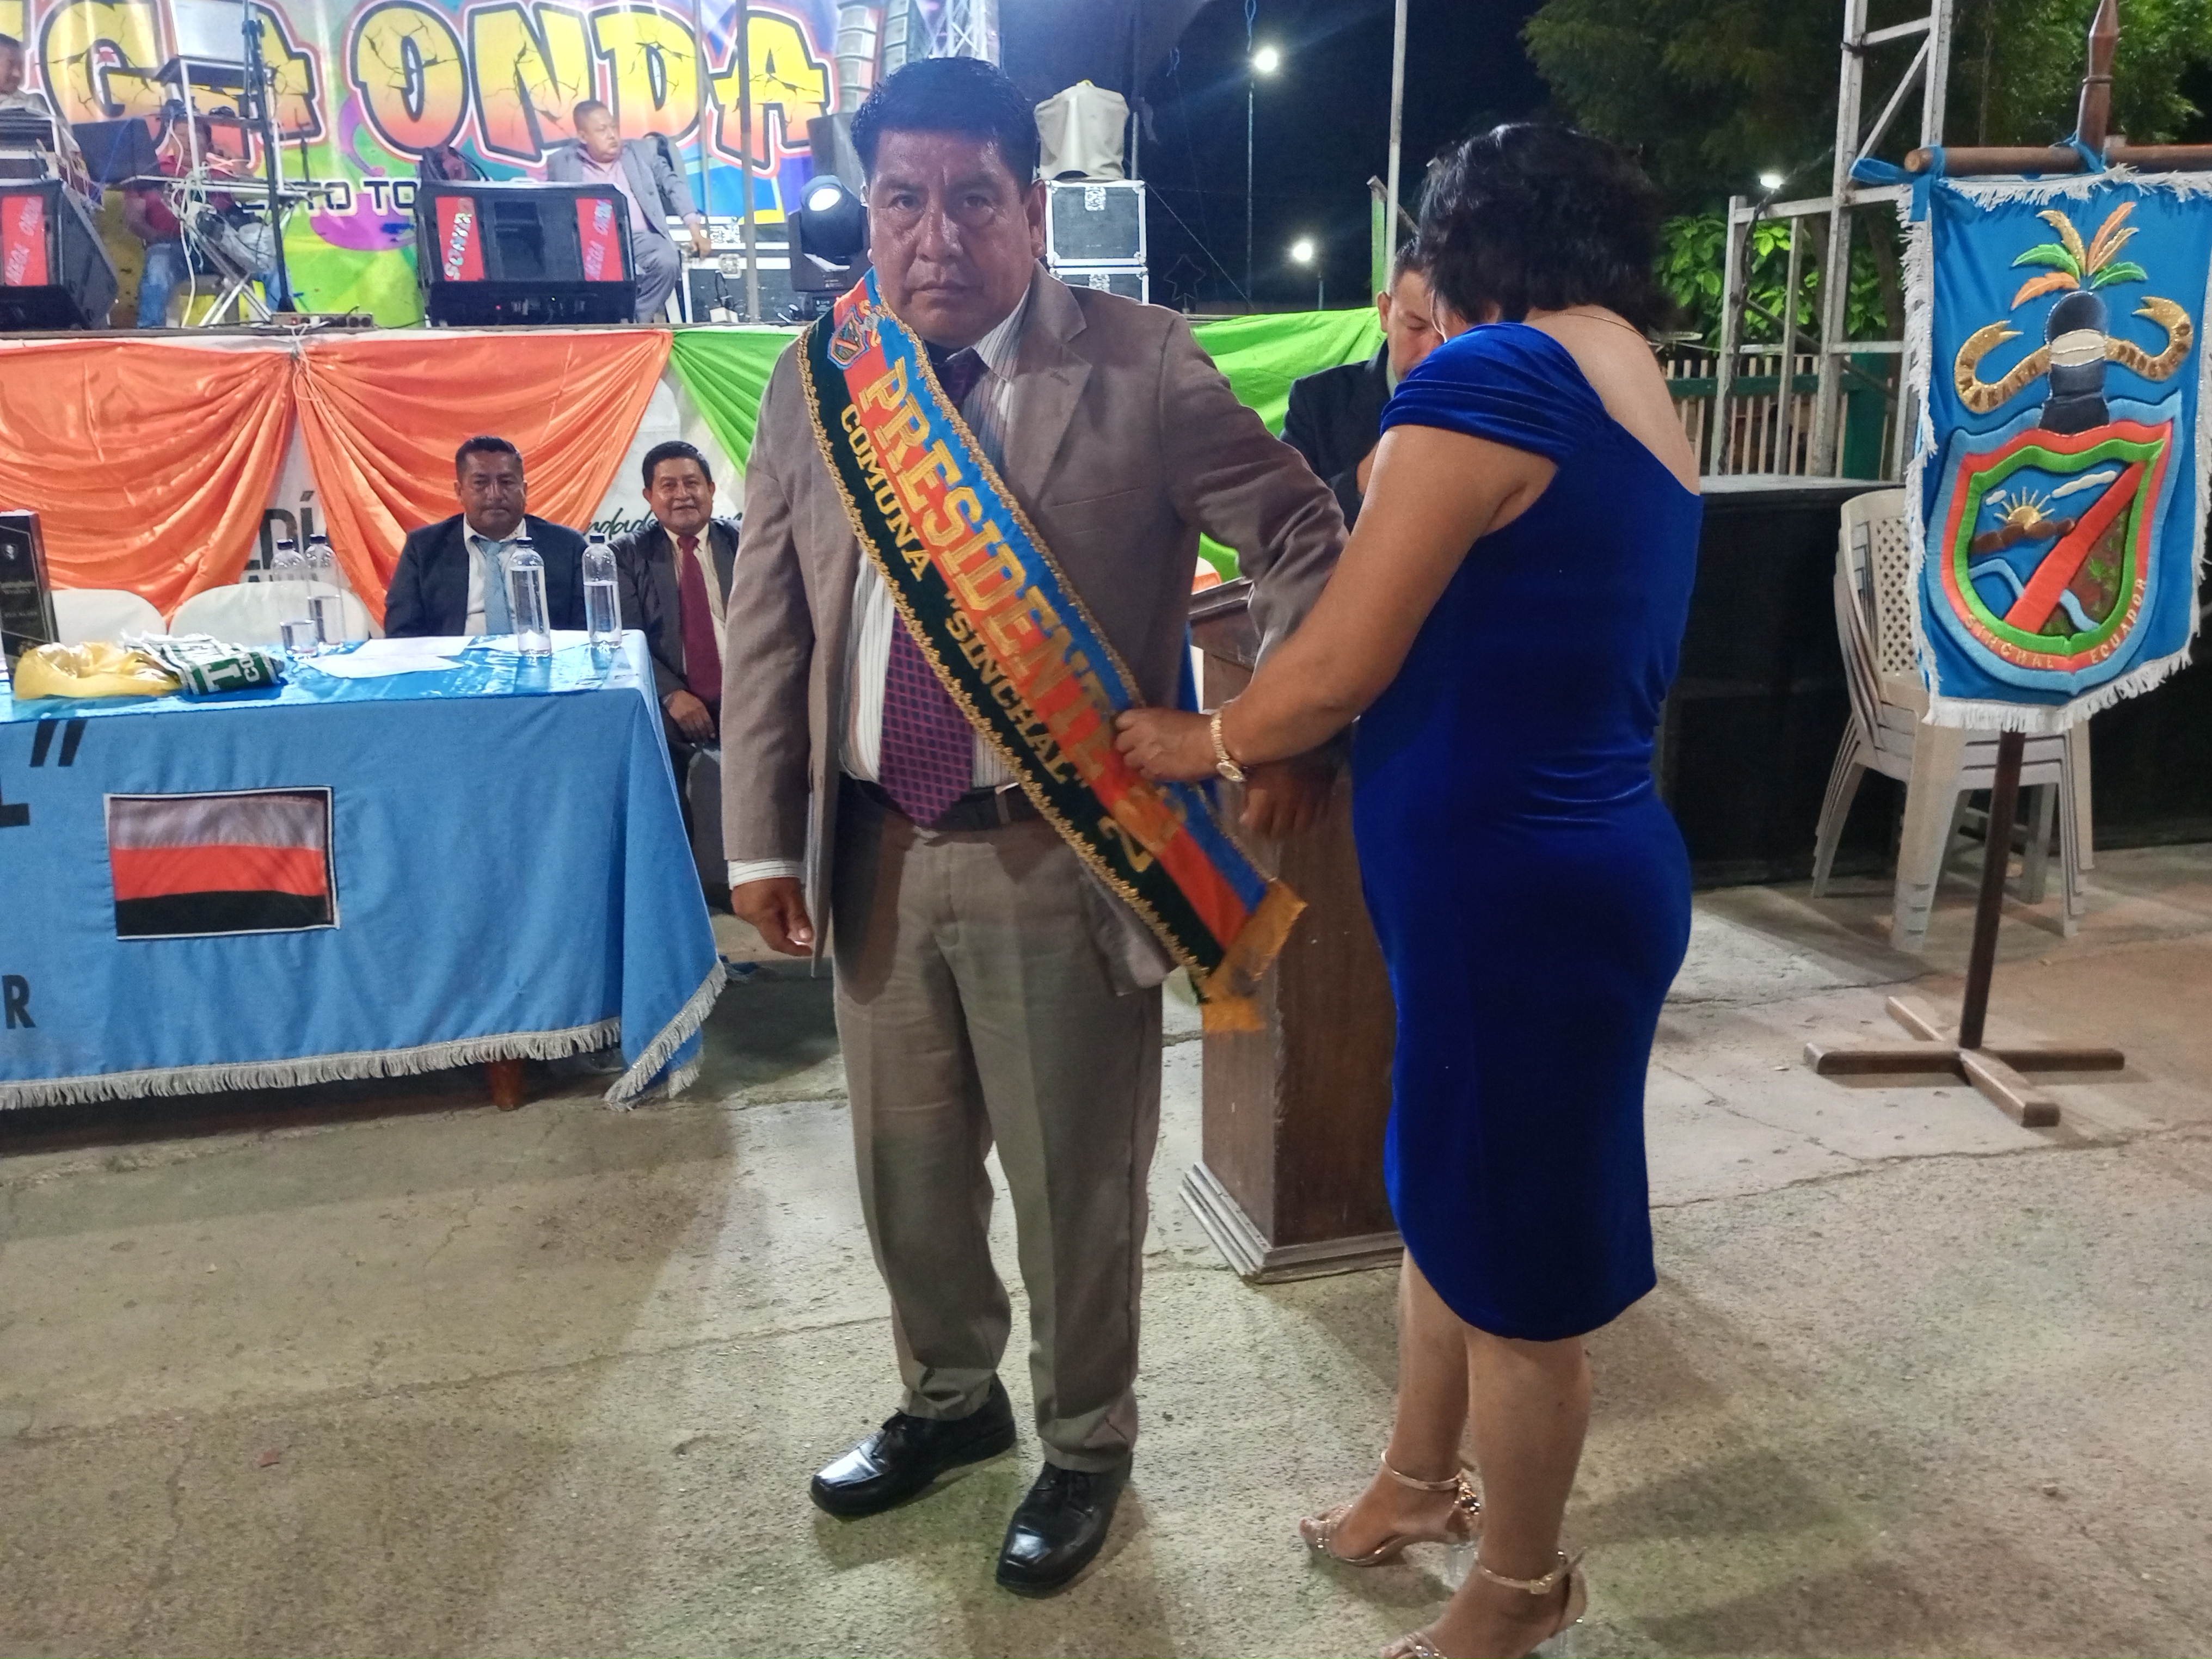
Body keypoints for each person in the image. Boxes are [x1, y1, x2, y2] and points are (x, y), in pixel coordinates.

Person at [720, 54, 1343, 1597]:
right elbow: (770, 619)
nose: (932, 236)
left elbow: (1301, 531)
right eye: (901, 201)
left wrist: (1268, 723)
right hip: (873, 849)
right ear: (871, 209)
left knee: (1076, 1184)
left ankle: (1084, 1441)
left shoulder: (1145, 365)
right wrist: (761, 843)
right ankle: (951, 1400)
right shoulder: (820, 379)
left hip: (1063, 852)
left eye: (970, 200)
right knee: (907, 1173)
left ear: (1033, 209)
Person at [1115, 124, 1701, 1659]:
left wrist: (1207, 739)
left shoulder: (1498, 376)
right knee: (1447, 1198)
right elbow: (1423, 539)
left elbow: (1341, 660)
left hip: (1515, 892)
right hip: (1553, 876)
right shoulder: (1621, 368)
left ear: (1455, 247)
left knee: (1515, 1272)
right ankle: (1419, 1480)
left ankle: (1519, 1588)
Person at [611, 439, 738, 898]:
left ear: (711, 489)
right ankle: (681, 892)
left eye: (692, 483)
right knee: (650, 750)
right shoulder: (626, 555)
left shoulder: (746, 542)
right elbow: (624, 636)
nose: (682, 495)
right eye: (668, 486)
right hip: (671, 699)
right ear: (649, 496)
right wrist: (671, 694)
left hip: (749, 692)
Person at [1282, 242, 1443, 530]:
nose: (1432, 351)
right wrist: (1362, 481)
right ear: (1385, 311)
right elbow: (1278, 523)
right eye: (1416, 327)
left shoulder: (1495, 408)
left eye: (1450, 333)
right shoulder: (1317, 402)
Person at [385, 437, 586, 638]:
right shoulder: (424, 549)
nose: (495, 494)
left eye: (506, 482)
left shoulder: (568, 547)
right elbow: (401, 633)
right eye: (480, 484)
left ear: (524, 490)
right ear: (459, 492)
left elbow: (586, 631)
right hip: (454, 657)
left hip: (543, 655)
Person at [547, 101, 711, 323]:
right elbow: (553, 209)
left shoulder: (641, 152)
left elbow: (673, 184)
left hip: (641, 240)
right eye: (602, 130)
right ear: (583, 137)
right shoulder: (562, 163)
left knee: (668, 261)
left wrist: (695, 228)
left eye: (613, 127)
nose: (612, 135)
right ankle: (604, 321)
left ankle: (637, 319)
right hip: (591, 244)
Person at [122, 115, 276, 328]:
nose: (187, 142)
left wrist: (233, 158)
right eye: (180, 136)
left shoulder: (220, 174)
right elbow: (133, 219)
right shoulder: (152, 172)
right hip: (175, 248)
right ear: (171, 140)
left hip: (224, 248)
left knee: (271, 262)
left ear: (208, 143)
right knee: (158, 263)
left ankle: (286, 324)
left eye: (195, 135)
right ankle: (150, 331)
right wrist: (158, 238)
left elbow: (255, 191)